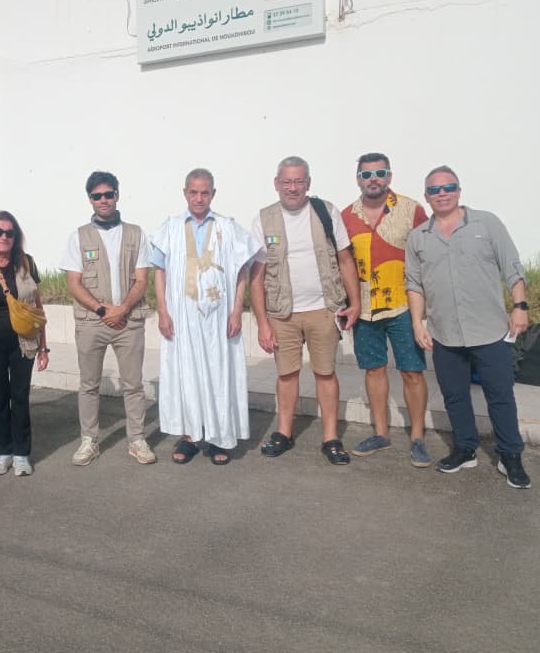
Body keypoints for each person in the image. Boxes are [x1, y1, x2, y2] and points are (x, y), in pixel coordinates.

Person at [406, 166, 532, 488]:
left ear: (459, 191)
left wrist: (520, 307)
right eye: (434, 190)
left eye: (448, 187)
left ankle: (510, 455)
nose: (442, 194)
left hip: (489, 331)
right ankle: (465, 448)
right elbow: (414, 284)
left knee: (500, 395)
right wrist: (418, 322)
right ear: (426, 196)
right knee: (455, 395)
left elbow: (512, 267)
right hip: (444, 333)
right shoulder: (418, 237)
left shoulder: (486, 224)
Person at [250, 156, 361, 465]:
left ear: (308, 183)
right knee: (287, 374)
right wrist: (262, 323)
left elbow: (345, 259)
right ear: (276, 184)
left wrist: (355, 303)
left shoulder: (326, 212)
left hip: (323, 310)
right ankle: (283, 432)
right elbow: (256, 277)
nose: (293, 187)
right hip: (282, 313)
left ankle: (331, 438)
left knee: (325, 373)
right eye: (287, 181)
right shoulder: (263, 219)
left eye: (299, 181)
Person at [152, 168, 262, 465]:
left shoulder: (227, 227)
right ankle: (190, 437)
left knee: (219, 373)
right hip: (182, 317)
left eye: (205, 192)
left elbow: (242, 271)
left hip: (219, 316)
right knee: (186, 374)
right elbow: (159, 271)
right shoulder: (171, 228)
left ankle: (219, 437)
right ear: (185, 193)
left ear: (213, 193)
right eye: (193, 192)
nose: (199, 198)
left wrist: (237, 311)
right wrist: (163, 311)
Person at [340, 153, 432, 466]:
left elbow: (426, 256)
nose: (373, 179)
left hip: (404, 306)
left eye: (379, 173)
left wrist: (425, 308)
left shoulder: (411, 210)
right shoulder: (346, 216)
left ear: (389, 176)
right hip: (364, 309)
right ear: (358, 179)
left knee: (412, 372)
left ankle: (418, 437)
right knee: (374, 370)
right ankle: (380, 433)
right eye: (366, 174)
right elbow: (342, 263)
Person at [60, 171, 155, 466]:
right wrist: (103, 310)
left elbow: (142, 279)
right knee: (89, 384)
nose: (104, 200)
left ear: (117, 195)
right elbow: (73, 283)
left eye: (108, 194)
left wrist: (122, 309)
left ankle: (137, 440)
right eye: (97, 195)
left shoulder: (136, 234)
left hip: (129, 322)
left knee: (133, 384)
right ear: (90, 199)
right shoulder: (78, 236)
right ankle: (89, 440)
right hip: (92, 322)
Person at [0, 211, 49, 476]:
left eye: (9, 232)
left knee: (20, 397)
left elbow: (37, 308)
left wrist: (43, 346)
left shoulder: (26, 263)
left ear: (16, 236)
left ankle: (22, 453)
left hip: (23, 344)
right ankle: (3, 452)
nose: (3, 237)